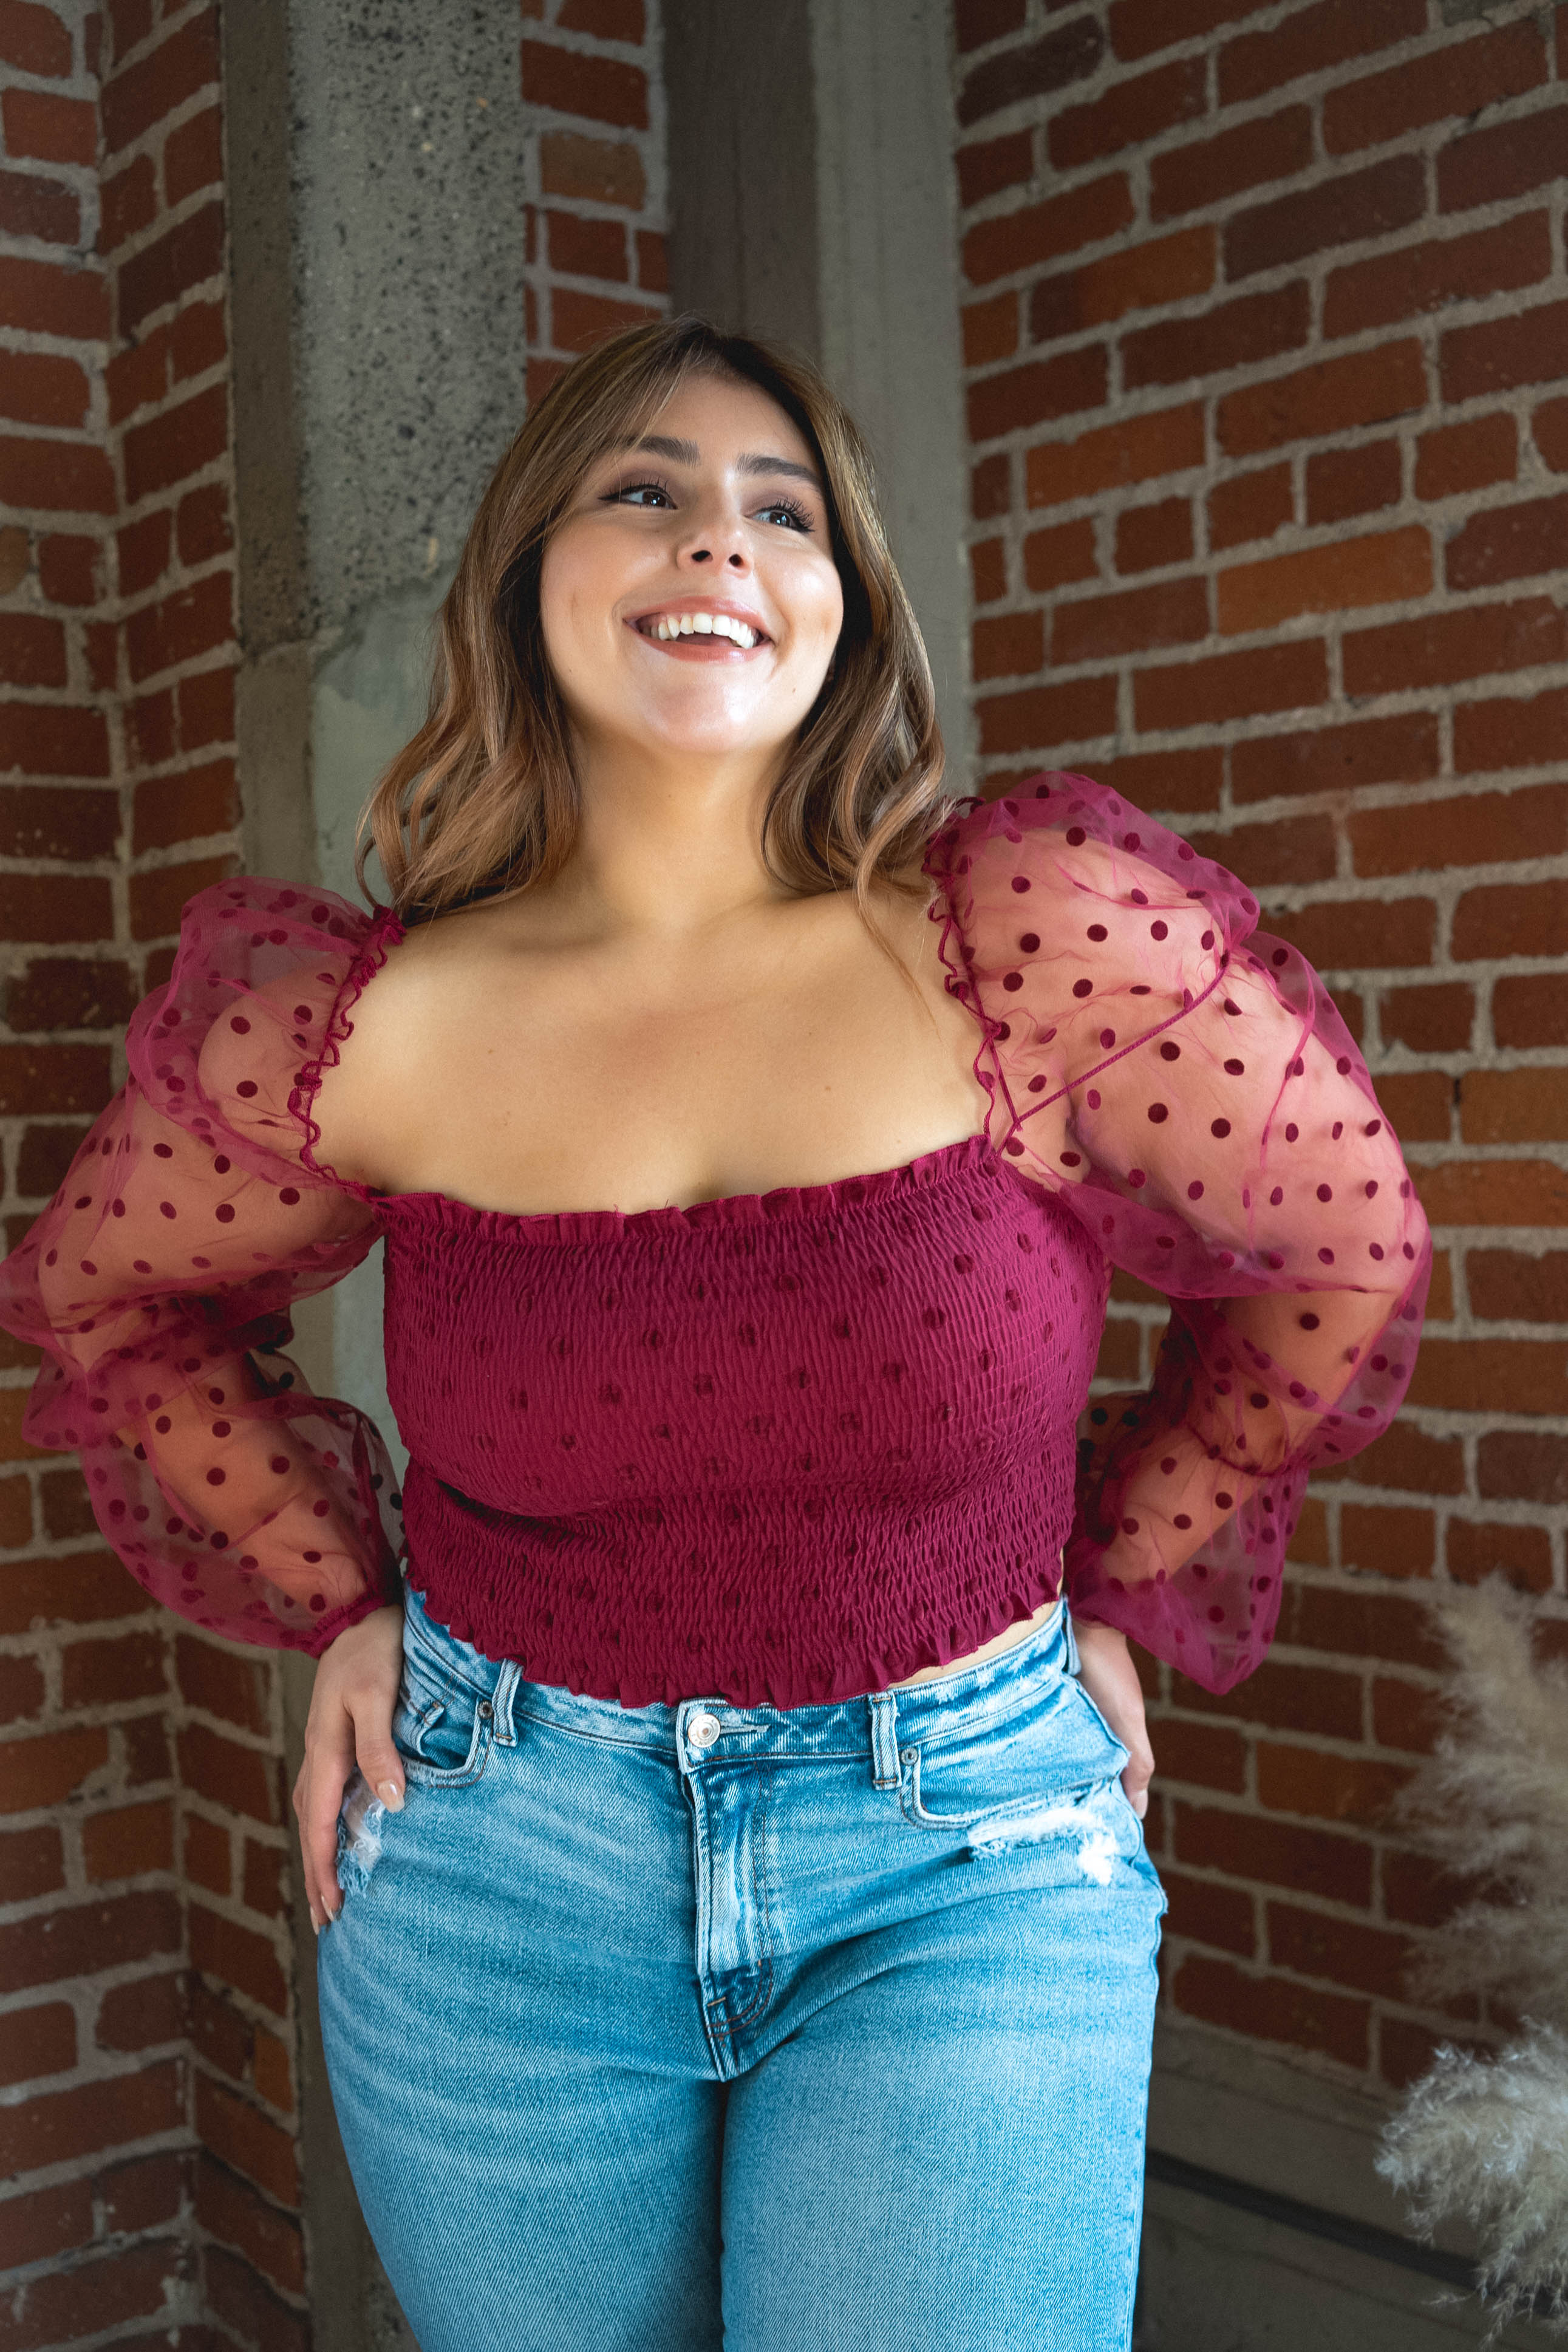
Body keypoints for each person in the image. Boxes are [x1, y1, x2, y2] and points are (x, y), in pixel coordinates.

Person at [0, 316, 1430, 2352]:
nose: (720, 543)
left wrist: (1120, 1576)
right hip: (494, 1874)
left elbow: (1342, 1246)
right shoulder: (370, 1027)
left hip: (963, 1856)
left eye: (786, 510)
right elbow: (108, 1295)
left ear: (846, 600)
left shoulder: (1021, 940)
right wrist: (343, 1599)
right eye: (646, 490)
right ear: (531, 573)